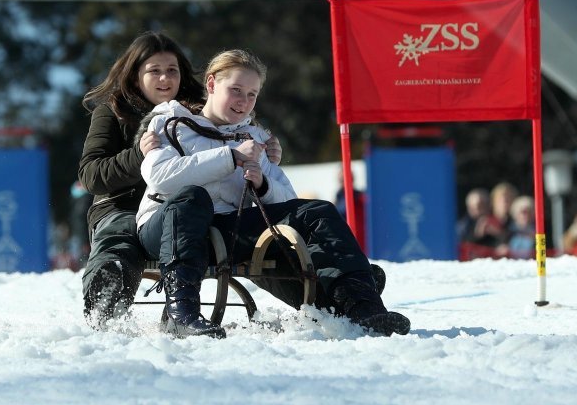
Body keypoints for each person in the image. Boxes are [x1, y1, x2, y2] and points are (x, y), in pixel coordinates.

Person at [136, 49, 410, 339]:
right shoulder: (169, 124)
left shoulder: (254, 138)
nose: (243, 102)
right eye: (236, 90)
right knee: (192, 198)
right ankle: (183, 314)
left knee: (316, 212)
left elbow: (288, 203)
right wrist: (228, 157)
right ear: (212, 84)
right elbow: (160, 177)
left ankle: (363, 307)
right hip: (167, 228)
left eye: (252, 94)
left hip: (228, 229)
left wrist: (263, 185)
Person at [77, 31, 285, 330]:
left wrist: (268, 150)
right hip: (126, 207)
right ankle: (105, 296)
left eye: (172, 70)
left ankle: (331, 287)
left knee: (246, 236)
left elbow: (241, 131)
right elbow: (92, 175)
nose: (165, 79)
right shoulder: (114, 113)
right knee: (121, 237)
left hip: (196, 207)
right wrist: (139, 156)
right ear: (135, 76)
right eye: (154, 71)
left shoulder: (199, 110)